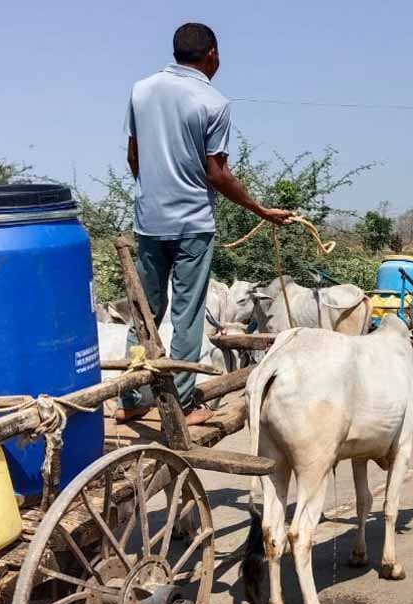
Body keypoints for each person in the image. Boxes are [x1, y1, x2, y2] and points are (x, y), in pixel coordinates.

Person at [117, 23, 293, 425]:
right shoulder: (214, 103)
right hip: (193, 223)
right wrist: (260, 209)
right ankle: (181, 404)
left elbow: (133, 156)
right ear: (212, 54)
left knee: (145, 310)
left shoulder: (140, 90)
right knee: (187, 313)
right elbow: (217, 173)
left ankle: (129, 400)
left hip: (148, 220)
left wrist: (152, 192)